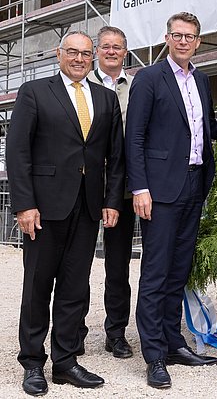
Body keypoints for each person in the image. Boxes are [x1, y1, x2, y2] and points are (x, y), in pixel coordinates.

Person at [7, 30, 124, 395]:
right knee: (38, 286)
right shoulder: (35, 92)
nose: (78, 59)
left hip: (88, 207)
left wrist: (111, 200)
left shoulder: (106, 99)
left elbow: (115, 157)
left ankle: (66, 361)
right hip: (43, 208)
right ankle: (32, 362)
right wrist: (24, 205)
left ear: (93, 58)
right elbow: (18, 152)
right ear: (59, 54)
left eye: (85, 54)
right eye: (72, 52)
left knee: (76, 287)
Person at [125, 12, 217, 389]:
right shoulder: (149, 79)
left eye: (191, 36)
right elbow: (134, 137)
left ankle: (172, 343)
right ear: (167, 38)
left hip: (194, 187)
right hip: (160, 191)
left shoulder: (201, 78)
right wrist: (140, 188)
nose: (184, 41)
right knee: (155, 273)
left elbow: (206, 128)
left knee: (179, 272)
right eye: (177, 35)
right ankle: (153, 357)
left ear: (198, 42)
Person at [80, 25, 135, 359]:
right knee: (79, 263)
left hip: (123, 189)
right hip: (83, 186)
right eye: (105, 46)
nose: (111, 51)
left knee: (118, 266)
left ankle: (116, 332)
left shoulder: (138, 86)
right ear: (97, 51)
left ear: (125, 51)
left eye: (117, 46)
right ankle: (75, 330)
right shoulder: (82, 85)